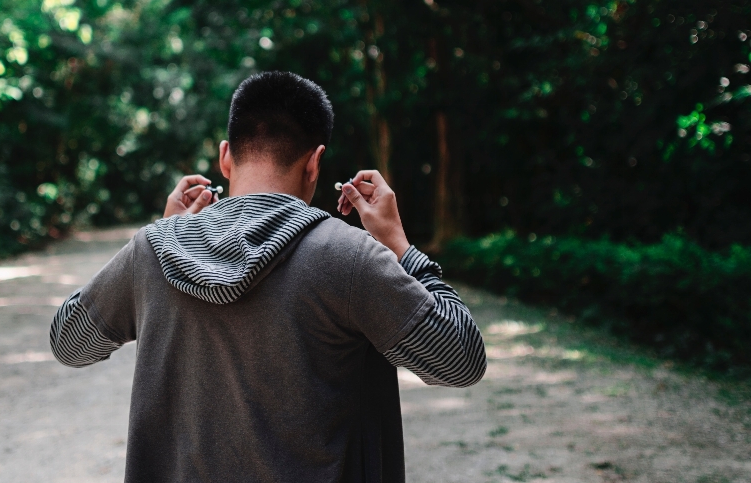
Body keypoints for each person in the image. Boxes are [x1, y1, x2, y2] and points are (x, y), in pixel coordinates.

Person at [49, 71, 487, 482]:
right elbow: (460, 361)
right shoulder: (349, 256)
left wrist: (167, 235)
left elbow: (69, 343)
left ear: (225, 157)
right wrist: (400, 248)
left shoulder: (151, 252)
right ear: (315, 163)